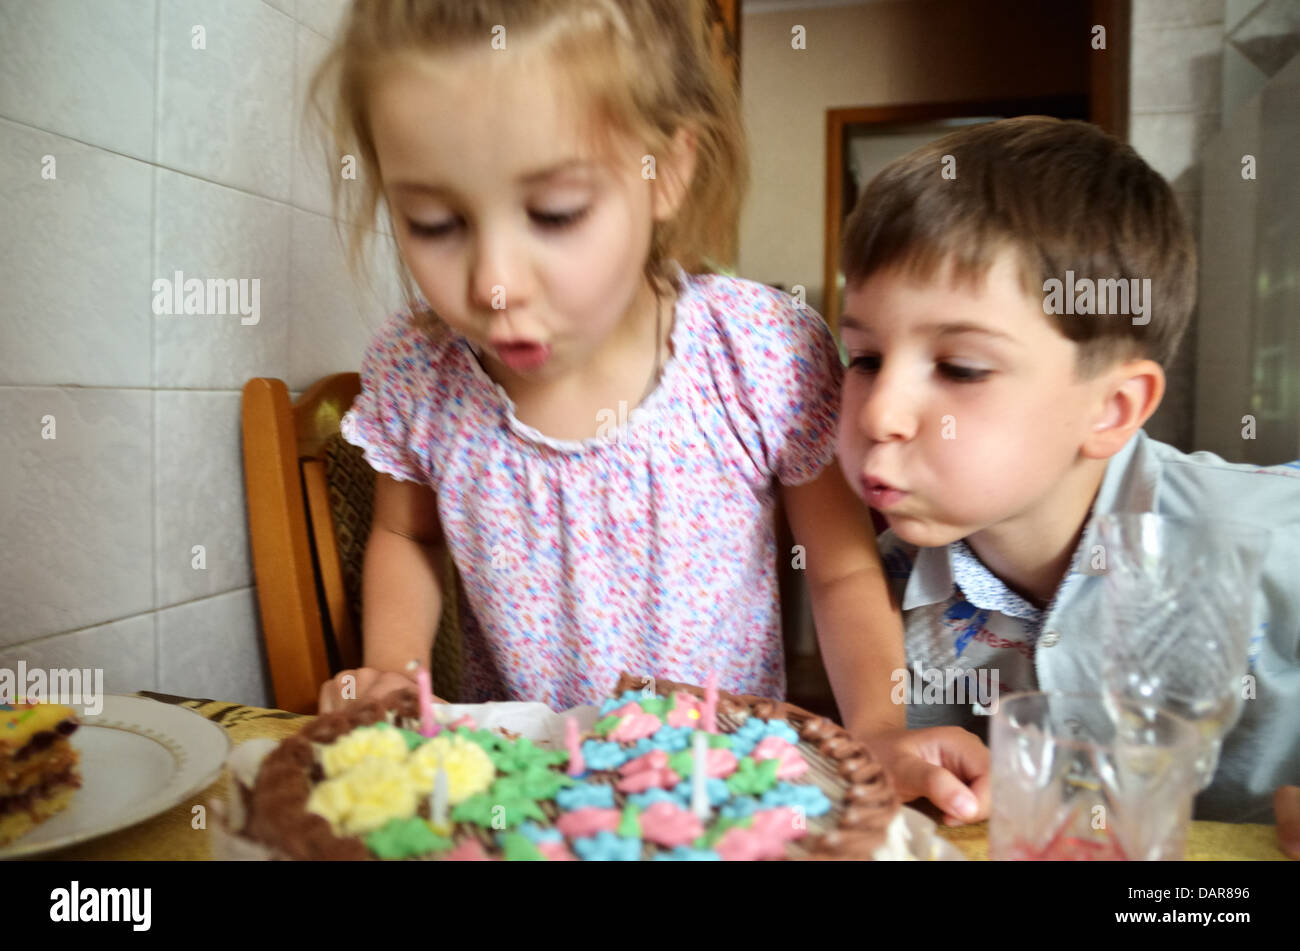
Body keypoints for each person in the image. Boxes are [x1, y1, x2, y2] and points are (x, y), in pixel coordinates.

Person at [306, 0, 950, 810]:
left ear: (667, 172)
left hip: (719, 790)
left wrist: (881, 726)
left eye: (555, 213)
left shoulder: (756, 351)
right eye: (436, 222)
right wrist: (397, 669)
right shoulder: (419, 368)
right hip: (521, 792)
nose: (493, 284)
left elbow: (845, 566)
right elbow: (406, 530)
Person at [835, 115, 1300, 851]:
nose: (880, 412)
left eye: (960, 367)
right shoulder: (880, 601)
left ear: (1111, 408)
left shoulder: (1267, 535)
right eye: (863, 358)